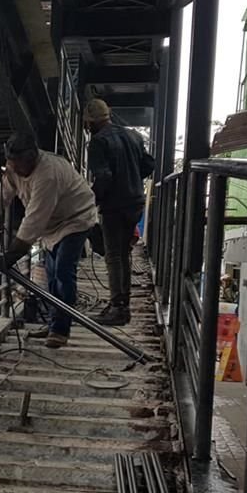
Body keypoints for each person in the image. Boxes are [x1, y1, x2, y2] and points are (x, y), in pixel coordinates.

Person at [0, 132, 97, 349]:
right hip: (52, 225)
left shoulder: (48, 174)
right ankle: (55, 321)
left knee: (63, 270)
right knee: (53, 275)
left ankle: (60, 330)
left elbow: (33, 221)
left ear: (32, 157)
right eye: (12, 162)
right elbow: (2, 194)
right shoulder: (13, 169)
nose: (16, 168)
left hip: (76, 218)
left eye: (20, 163)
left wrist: (11, 255)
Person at [83, 97, 148, 326]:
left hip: (114, 205)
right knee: (123, 254)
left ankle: (118, 307)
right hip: (135, 202)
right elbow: (149, 164)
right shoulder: (133, 135)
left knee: (113, 255)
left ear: (90, 122)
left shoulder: (98, 142)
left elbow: (104, 177)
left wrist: (92, 200)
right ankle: (122, 303)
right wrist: (132, 179)